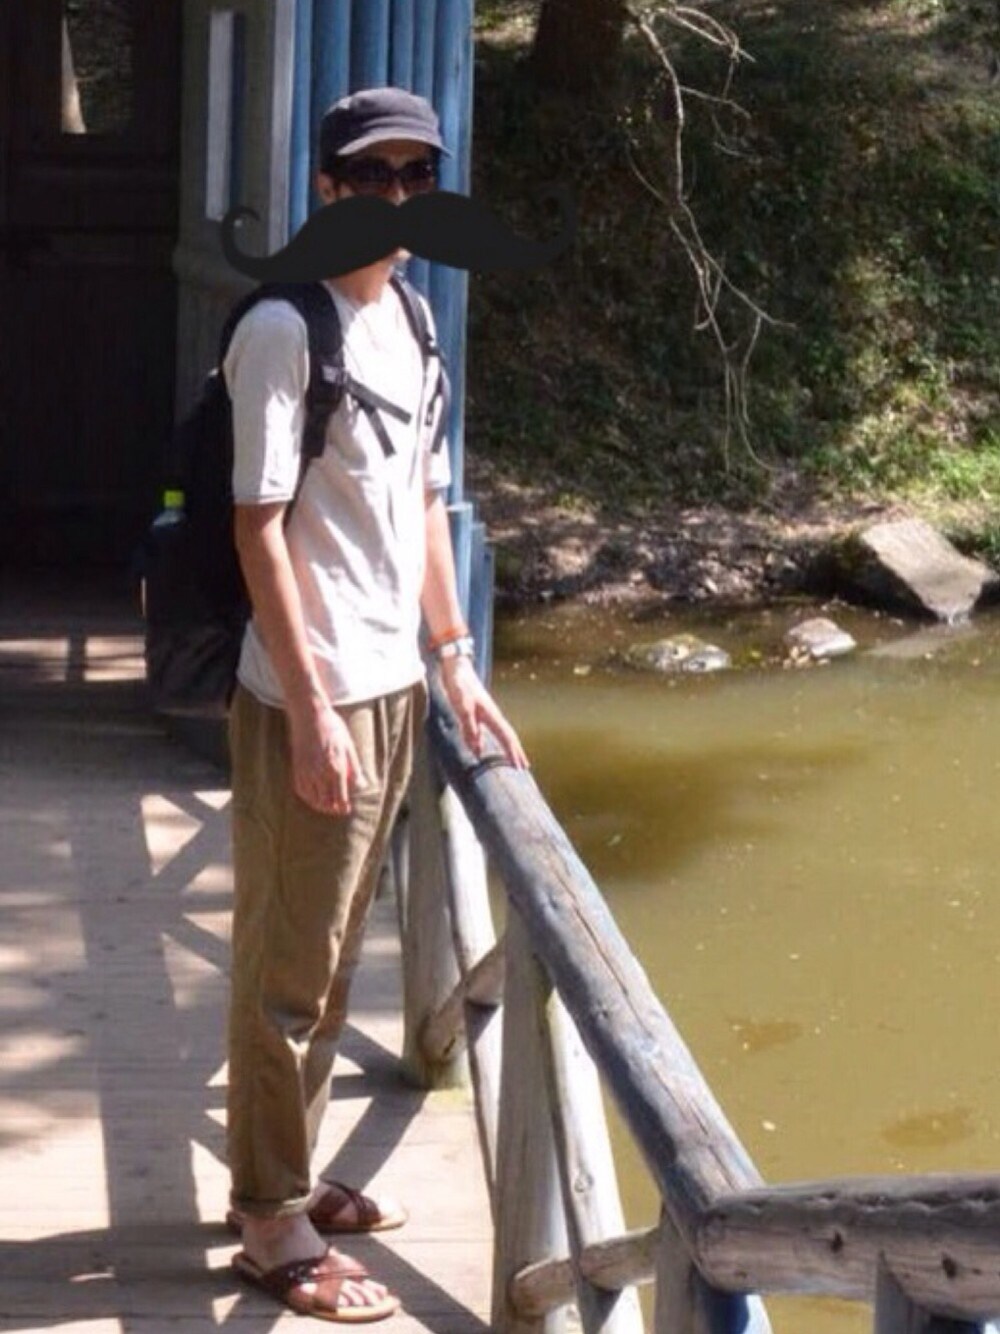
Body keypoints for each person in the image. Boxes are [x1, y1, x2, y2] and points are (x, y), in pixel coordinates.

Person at [223, 86, 527, 1322]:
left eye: (416, 175)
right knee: (288, 970)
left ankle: (288, 1173)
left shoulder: (410, 315)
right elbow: (257, 526)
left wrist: (454, 657)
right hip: (314, 688)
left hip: (394, 683)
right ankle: (268, 1221)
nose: (395, 197)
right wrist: (309, 707)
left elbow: (421, 506)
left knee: (341, 954)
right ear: (326, 187)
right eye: (371, 175)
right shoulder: (282, 328)